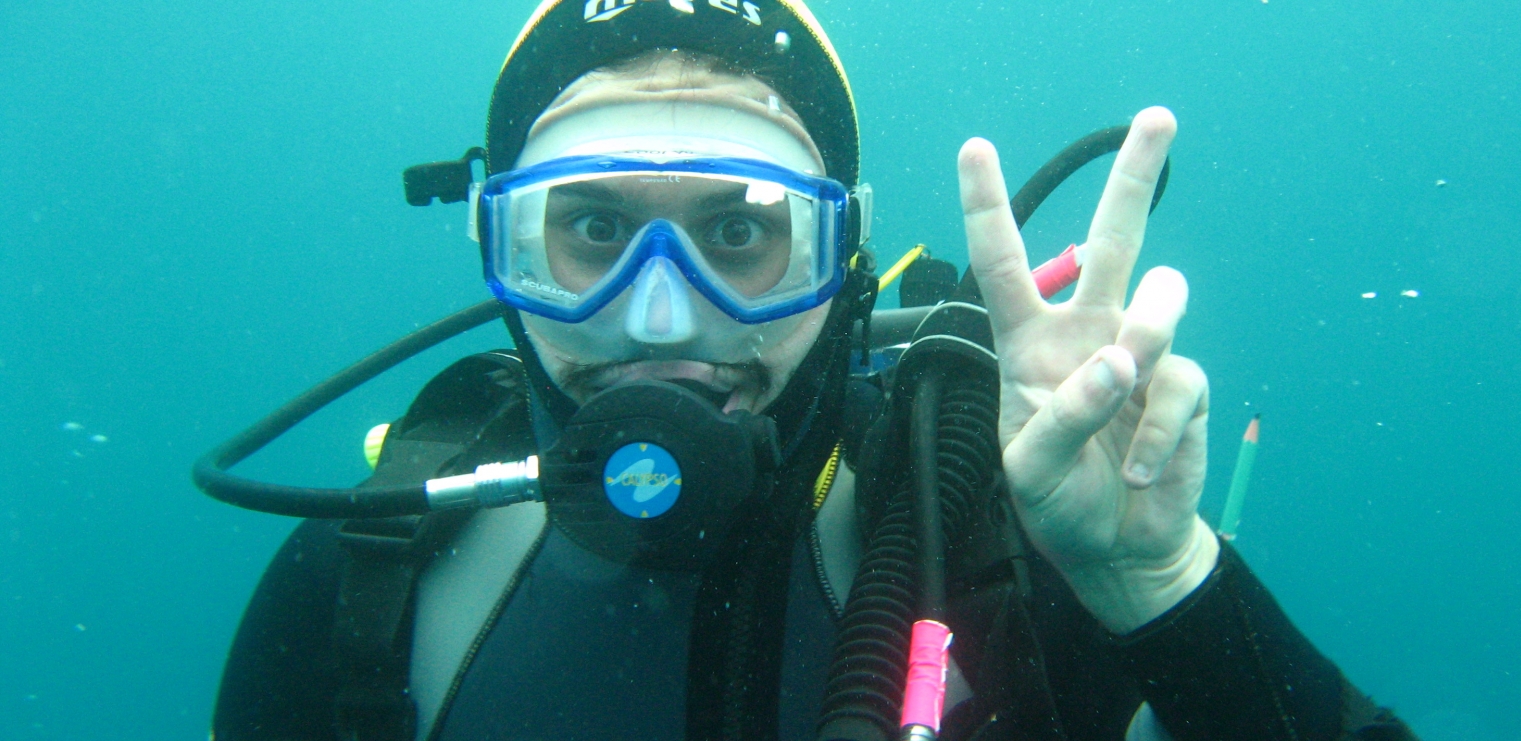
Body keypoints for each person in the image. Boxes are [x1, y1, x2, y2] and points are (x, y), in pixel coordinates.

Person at [211, 1, 1417, 740]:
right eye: (587, 230)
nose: (660, 316)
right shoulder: (357, 586)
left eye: (741, 232)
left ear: (840, 254)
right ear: (501, 246)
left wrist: (1156, 577)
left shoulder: (995, 547)